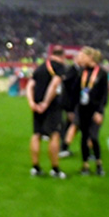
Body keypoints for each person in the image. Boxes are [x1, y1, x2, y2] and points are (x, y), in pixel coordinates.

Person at [26, 45, 67, 178]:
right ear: (63, 56)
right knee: (55, 134)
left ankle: (35, 167)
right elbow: (54, 84)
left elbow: (30, 85)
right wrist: (46, 103)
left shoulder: (41, 67)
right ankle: (55, 169)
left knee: (36, 134)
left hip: (36, 104)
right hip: (52, 106)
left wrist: (32, 103)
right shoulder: (59, 67)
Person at [77, 47, 109, 176]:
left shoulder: (102, 73)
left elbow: (104, 94)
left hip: (95, 111)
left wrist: (99, 111)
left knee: (94, 137)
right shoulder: (81, 72)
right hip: (83, 109)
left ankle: (99, 164)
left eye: (82, 56)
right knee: (84, 137)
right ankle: (85, 165)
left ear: (90, 57)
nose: (80, 58)